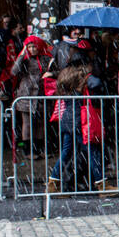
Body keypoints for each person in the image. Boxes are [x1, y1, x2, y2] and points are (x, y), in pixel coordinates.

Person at [45, 64, 108, 194]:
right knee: (92, 152)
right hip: (78, 121)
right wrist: (89, 76)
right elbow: (96, 83)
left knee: (66, 152)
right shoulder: (79, 90)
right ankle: (102, 185)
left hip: (67, 121)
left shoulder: (66, 89)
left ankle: (53, 184)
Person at [10, 35, 52, 155]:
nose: (32, 49)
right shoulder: (24, 59)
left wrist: (51, 73)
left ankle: (40, 148)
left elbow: (53, 69)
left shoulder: (45, 58)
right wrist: (22, 55)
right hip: (26, 94)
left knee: (41, 124)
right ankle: (28, 150)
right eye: (29, 47)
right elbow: (14, 71)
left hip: (41, 94)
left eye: (34, 46)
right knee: (27, 124)